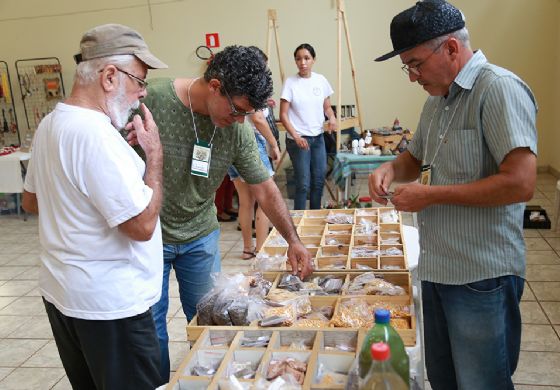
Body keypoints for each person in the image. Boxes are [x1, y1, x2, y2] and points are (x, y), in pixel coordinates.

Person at [369, 1, 537, 389]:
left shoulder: (498, 90)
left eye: (415, 63)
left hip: (481, 275)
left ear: (450, 48)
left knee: (481, 381)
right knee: (443, 378)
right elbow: (415, 157)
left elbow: (520, 182)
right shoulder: (437, 100)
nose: (412, 76)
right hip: (437, 268)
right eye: (407, 66)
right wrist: (390, 169)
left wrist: (432, 196)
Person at [137, 45, 313, 381]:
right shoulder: (153, 102)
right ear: (215, 86)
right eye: (237, 111)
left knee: (211, 322)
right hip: (148, 237)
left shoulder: (238, 128)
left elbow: (264, 187)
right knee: (151, 329)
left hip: (200, 237)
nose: (240, 121)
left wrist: (293, 239)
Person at [21, 24, 167, 389]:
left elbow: (32, 200)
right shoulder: (95, 135)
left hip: (65, 294)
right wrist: (154, 158)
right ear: (109, 76)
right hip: (110, 306)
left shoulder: (51, 124)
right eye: (139, 80)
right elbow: (141, 226)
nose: (142, 93)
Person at [280, 43, 337, 210]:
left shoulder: (321, 80)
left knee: (318, 182)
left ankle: (315, 218)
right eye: (298, 59)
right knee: (303, 184)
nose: (302, 62)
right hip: (298, 140)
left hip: (318, 138)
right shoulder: (290, 82)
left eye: (307, 58)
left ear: (313, 60)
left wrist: (332, 118)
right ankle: (298, 224)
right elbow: (283, 115)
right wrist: (296, 137)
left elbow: (327, 107)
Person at [228, 106, 281, 259]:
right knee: (265, 200)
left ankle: (247, 249)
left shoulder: (232, 87)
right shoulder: (253, 86)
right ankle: (260, 249)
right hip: (253, 144)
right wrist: (274, 144)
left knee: (245, 202)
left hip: (232, 141)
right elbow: (258, 119)